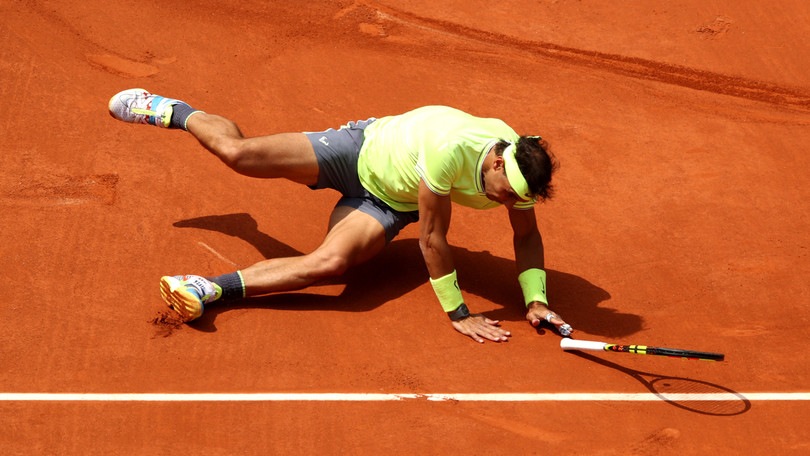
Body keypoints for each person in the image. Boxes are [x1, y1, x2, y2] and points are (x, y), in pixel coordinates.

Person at [108, 88, 573, 343]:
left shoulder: (520, 172)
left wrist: (535, 298)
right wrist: (459, 313)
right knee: (239, 153)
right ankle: (175, 111)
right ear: (495, 163)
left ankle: (207, 288)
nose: (510, 204)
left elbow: (526, 235)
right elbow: (432, 239)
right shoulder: (448, 150)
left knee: (330, 265)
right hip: (356, 151)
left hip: (387, 202)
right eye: (508, 194)